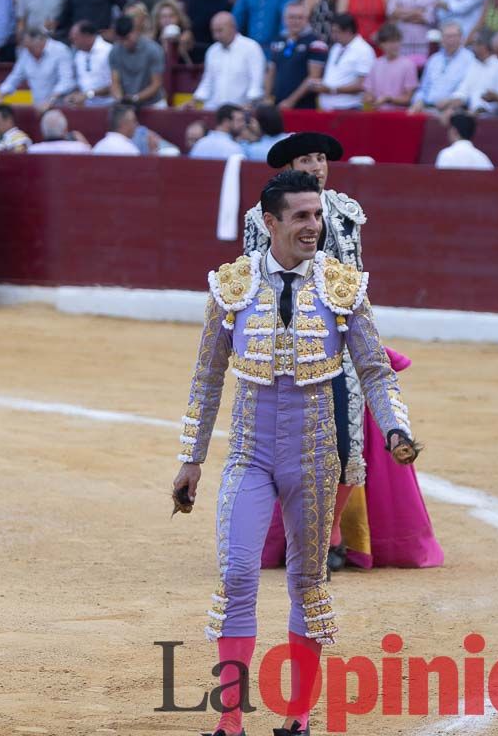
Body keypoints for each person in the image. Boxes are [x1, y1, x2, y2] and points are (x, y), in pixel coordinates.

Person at [173, 168, 416, 736]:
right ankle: (229, 722)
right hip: (250, 454)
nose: (315, 225)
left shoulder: (343, 285)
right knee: (236, 573)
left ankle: (298, 718)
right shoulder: (231, 286)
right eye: (302, 215)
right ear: (270, 222)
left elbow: (376, 370)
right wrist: (191, 457)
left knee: (308, 582)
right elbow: (207, 378)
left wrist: (395, 430)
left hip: (313, 455)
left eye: (318, 215)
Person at [242, 133, 370, 576]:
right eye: (306, 158)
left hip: (337, 346)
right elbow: (257, 279)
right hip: (283, 347)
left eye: (321, 158)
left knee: (343, 443)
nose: (317, 165)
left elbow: (356, 283)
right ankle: (301, 536)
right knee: (281, 445)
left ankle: (329, 536)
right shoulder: (261, 219)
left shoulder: (348, 215)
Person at [189, 11, 266, 109]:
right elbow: (208, 81)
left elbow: (256, 82)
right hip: (213, 109)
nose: (216, 36)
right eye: (213, 31)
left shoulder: (251, 48)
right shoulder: (212, 51)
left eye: (220, 30)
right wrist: (194, 100)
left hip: (241, 110)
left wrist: (250, 103)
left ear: (233, 27)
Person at [0, 27, 76, 110]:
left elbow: (66, 81)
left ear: (41, 41)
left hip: (61, 106)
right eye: (26, 48)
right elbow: (14, 77)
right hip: (38, 106)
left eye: (30, 48)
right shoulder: (26, 53)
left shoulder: (60, 50)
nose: (28, 51)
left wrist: (50, 100)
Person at [266, 1, 327, 110]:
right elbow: (271, 72)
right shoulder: (278, 40)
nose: (296, 21)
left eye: (300, 18)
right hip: (278, 104)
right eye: (292, 17)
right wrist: (267, 98)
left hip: (304, 106)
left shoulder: (316, 43)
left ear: (307, 19)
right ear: (284, 19)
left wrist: (290, 101)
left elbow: (313, 78)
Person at [314, 12, 374, 111]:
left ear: (348, 31)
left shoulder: (364, 50)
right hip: (328, 109)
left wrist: (332, 90)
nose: (333, 35)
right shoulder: (336, 47)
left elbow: (363, 84)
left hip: (349, 110)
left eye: (336, 32)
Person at [408, 21, 471, 112]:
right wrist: (418, 100)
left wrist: (451, 101)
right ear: (441, 39)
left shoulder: (469, 59)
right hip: (427, 107)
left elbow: (466, 89)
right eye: (447, 36)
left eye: (454, 36)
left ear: (461, 38)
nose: (450, 40)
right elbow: (423, 88)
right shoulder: (434, 59)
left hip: (453, 110)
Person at [446, 27, 498, 115]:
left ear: (484, 46)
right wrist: (452, 104)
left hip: (490, 118)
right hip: (469, 114)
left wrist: (475, 112)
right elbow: (463, 89)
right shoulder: (473, 64)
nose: (472, 47)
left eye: (475, 43)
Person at [109, 14, 166, 106]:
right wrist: (120, 99)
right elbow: (115, 82)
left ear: (135, 31)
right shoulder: (114, 51)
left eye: (127, 38)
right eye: (121, 39)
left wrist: (135, 98)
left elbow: (156, 84)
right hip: (128, 104)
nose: (124, 43)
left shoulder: (153, 50)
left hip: (153, 103)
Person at [360, 22, 417, 110]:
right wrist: (369, 98)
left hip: (399, 116)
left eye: (396, 41)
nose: (393, 45)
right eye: (389, 42)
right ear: (381, 44)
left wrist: (389, 99)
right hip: (377, 114)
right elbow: (368, 91)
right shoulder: (376, 64)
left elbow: (409, 98)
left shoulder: (408, 65)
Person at [65, 19, 114, 105]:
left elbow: (114, 85)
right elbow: (81, 83)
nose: (73, 43)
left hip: (108, 106)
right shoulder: (78, 55)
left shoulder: (108, 51)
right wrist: (74, 95)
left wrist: (89, 94)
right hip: (87, 107)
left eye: (75, 39)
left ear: (86, 36)